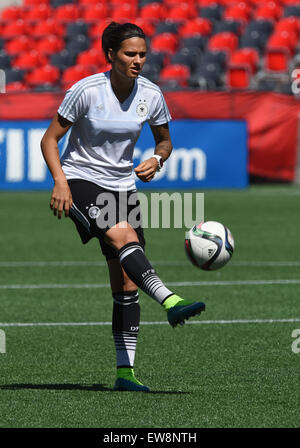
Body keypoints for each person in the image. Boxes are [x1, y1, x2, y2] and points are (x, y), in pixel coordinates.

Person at [41, 22, 205, 392]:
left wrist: (158, 159)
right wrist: (60, 182)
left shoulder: (151, 93)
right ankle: (171, 299)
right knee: (122, 234)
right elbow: (49, 139)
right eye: (130, 54)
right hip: (81, 181)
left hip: (123, 187)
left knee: (127, 281)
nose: (138, 61)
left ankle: (125, 374)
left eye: (143, 54)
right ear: (110, 55)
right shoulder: (85, 91)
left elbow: (165, 141)